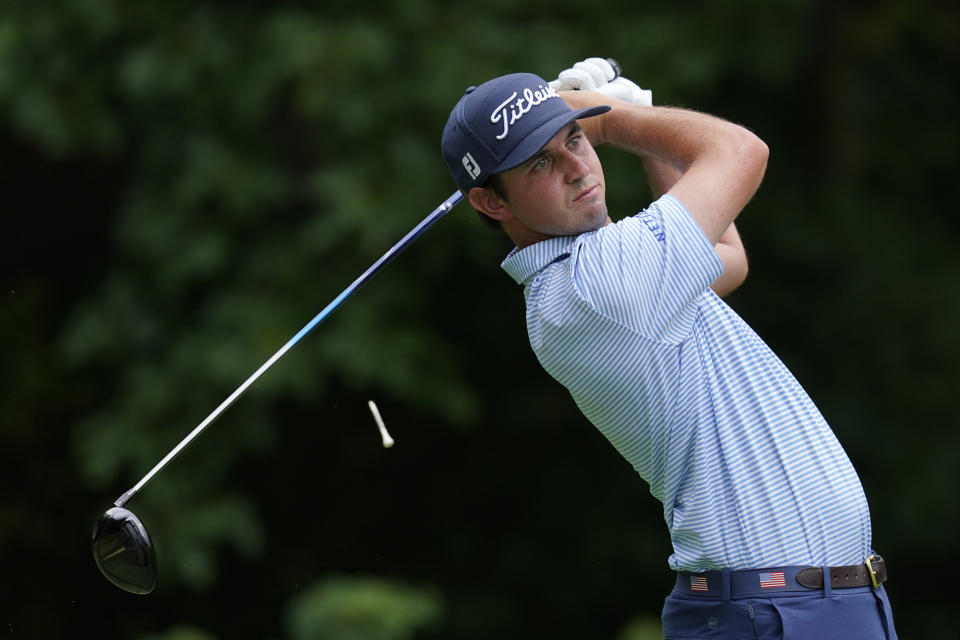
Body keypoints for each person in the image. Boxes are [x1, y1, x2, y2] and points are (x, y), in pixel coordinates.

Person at [440, 58, 897, 639]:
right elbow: (742, 151)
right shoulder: (599, 284)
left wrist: (641, 129)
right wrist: (616, 121)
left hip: (797, 607)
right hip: (774, 612)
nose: (578, 167)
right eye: (542, 162)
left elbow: (728, 259)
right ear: (491, 203)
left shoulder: (614, 273)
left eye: (576, 140)